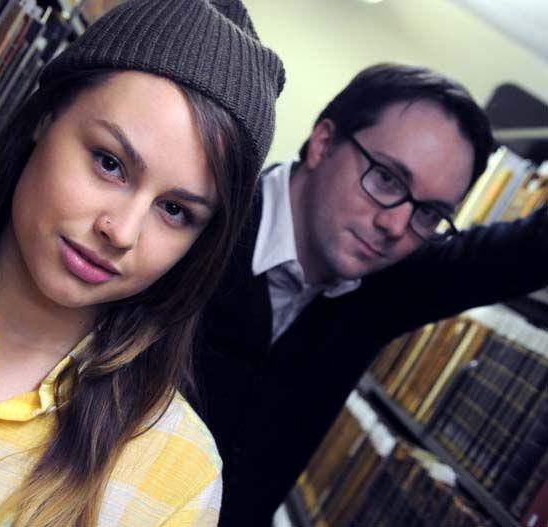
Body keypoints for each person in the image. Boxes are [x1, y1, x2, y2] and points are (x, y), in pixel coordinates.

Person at [0, 1, 284, 525]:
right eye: (110, 163)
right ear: (45, 116)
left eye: (175, 210)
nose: (122, 231)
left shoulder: (179, 473)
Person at [197, 63, 548, 525]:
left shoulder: (393, 280)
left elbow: (531, 250)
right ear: (324, 143)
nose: (396, 226)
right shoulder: (198, 224)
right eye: (386, 178)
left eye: (429, 212)